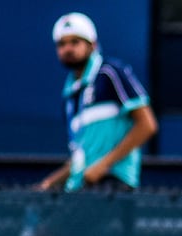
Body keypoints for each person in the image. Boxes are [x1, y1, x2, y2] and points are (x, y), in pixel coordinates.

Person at [37, 12, 158, 193]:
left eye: (75, 42)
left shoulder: (110, 72)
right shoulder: (70, 95)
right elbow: (81, 157)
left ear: (92, 45)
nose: (68, 49)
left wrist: (103, 166)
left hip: (113, 183)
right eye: (62, 44)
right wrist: (48, 183)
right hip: (82, 187)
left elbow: (147, 125)